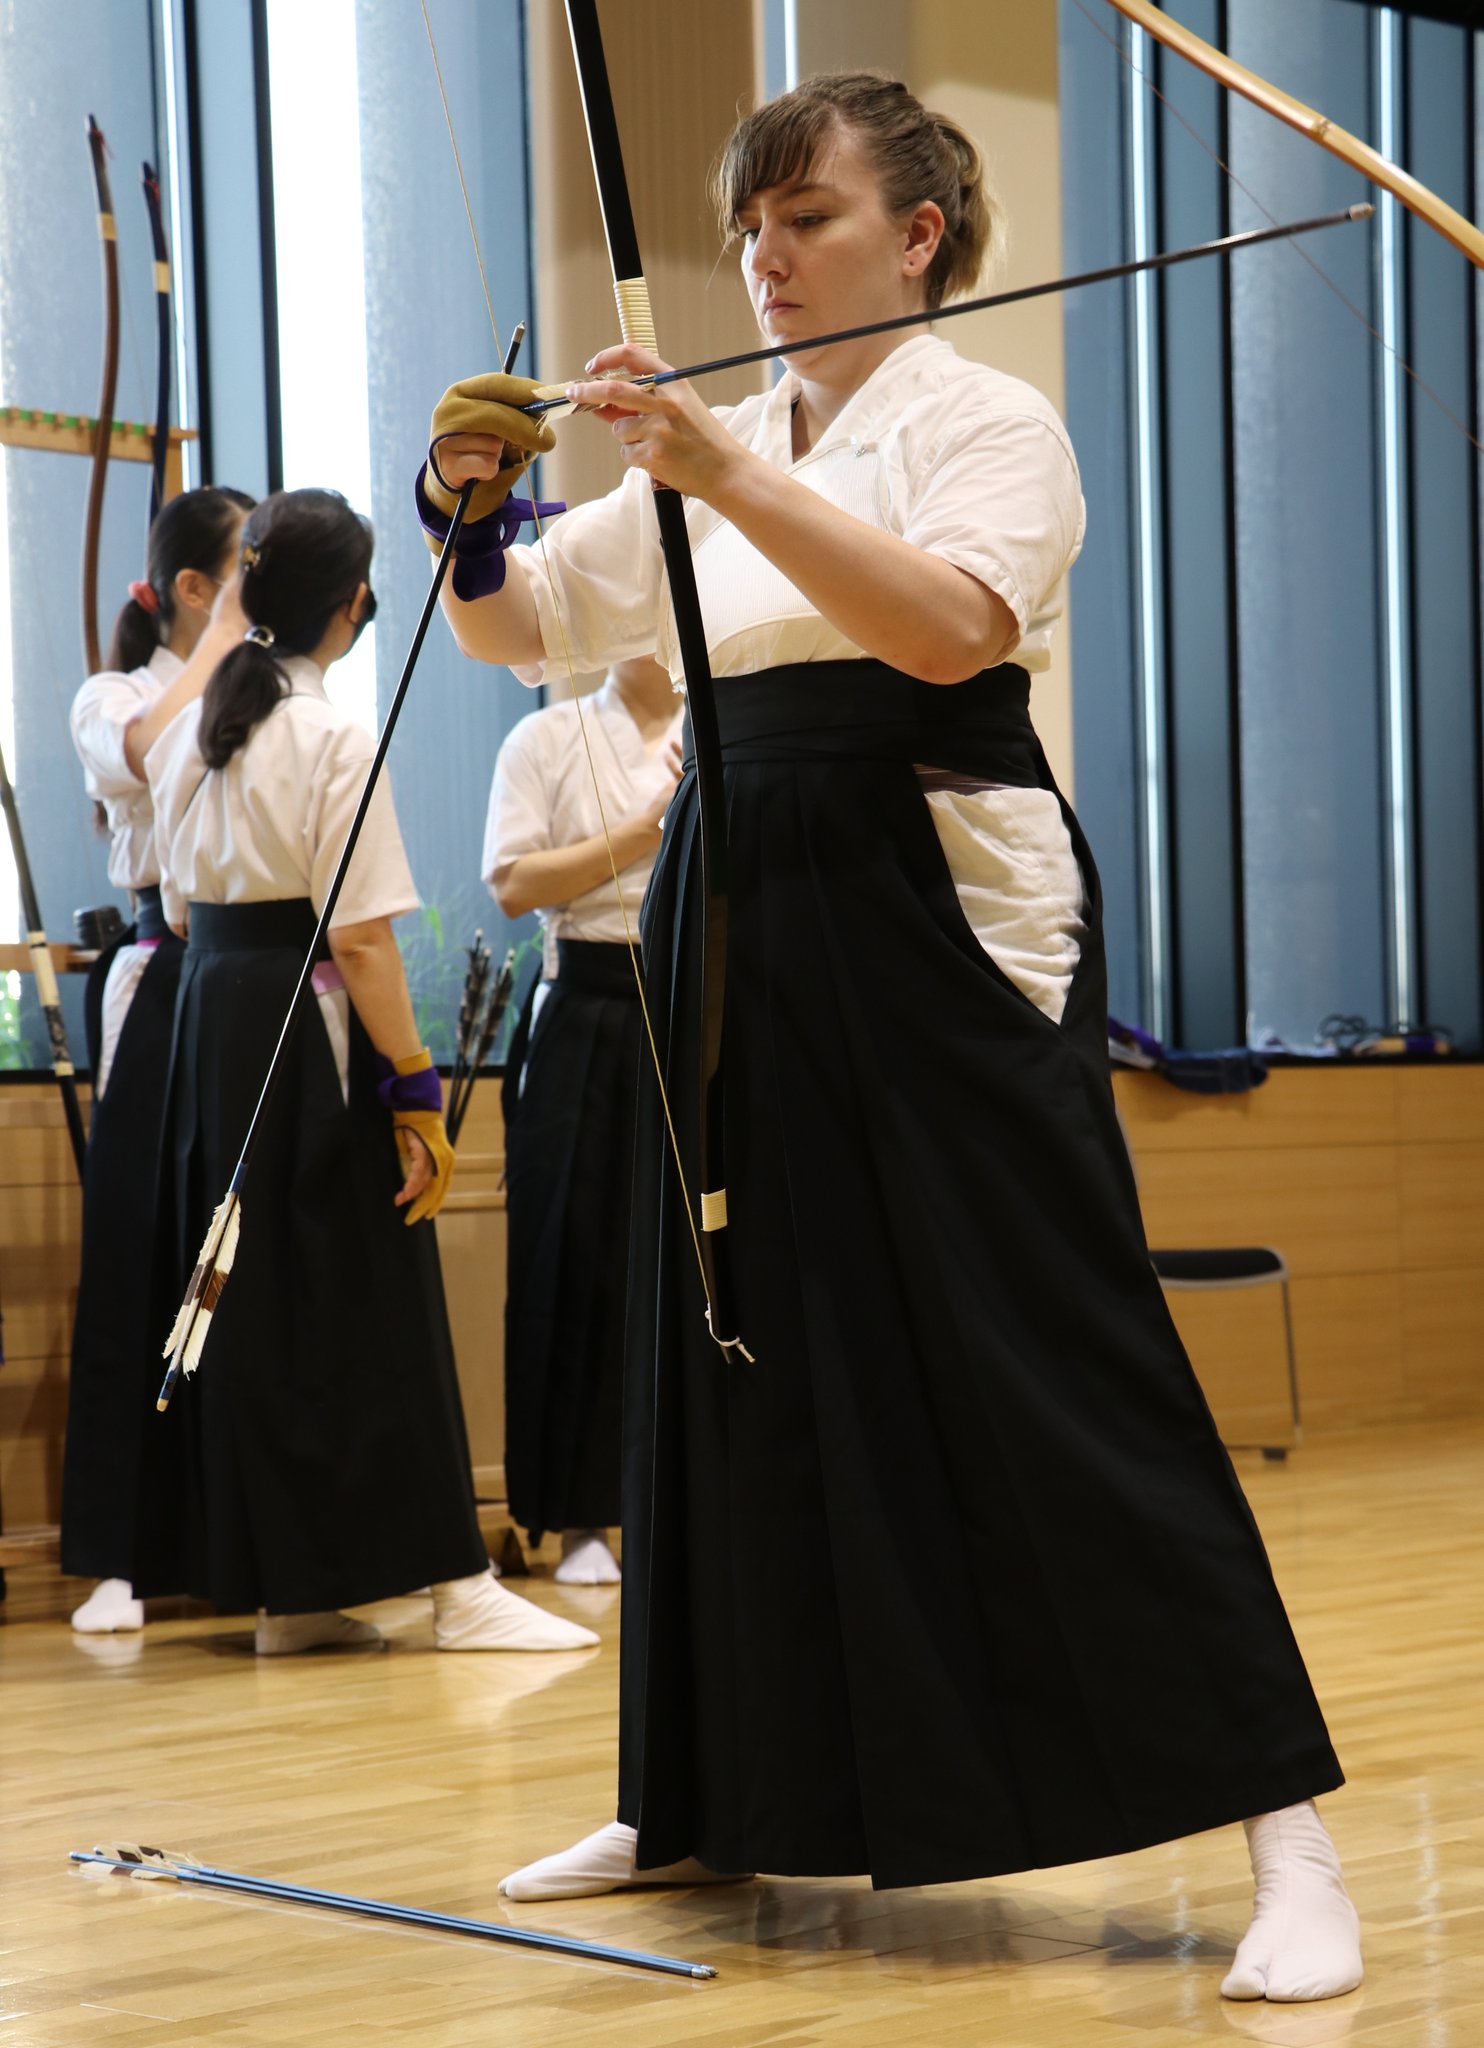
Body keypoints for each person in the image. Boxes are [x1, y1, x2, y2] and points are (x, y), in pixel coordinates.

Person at [418, 75, 1362, 2005]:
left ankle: (1284, 1827)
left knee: (1040, 1328)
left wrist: (719, 472)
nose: (763, 257)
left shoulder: (980, 420)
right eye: (749, 225)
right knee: (725, 1333)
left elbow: (943, 630)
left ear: (916, 235)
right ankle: (690, 1789)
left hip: (930, 873)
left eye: (808, 219)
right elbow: (517, 631)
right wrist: (472, 505)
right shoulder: (721, 439)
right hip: (736, 876)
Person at [145, 487, 597, 1657]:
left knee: (260, 1298)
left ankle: (292, 1595)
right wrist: (413, 1085)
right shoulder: (331, 735)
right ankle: (454, 1583)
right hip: (306, 1023)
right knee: (375, 1282)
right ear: (353, 604)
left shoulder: (196, 728)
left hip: (214, 1015)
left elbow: (182, 911)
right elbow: (358, 936)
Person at [62, 485, 254, 1634]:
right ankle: (118, 1555)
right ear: (192, 586)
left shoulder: (267, 687)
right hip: (159, 971)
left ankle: (249, 1547)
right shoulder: (118, 693)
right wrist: (227, 637)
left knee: (237, 1258)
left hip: (250, 970)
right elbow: (138, 755)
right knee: (141, 1255)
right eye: (244, 568)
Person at [485, 654, 683, 1583]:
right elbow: (515, 884)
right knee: (571, 1257)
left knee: (695, 1260)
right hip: (587, 1006)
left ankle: (691, 1507)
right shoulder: (546, 735)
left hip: (692, 998)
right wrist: (648, 827)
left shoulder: (720, 730)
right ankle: (579, 1518)